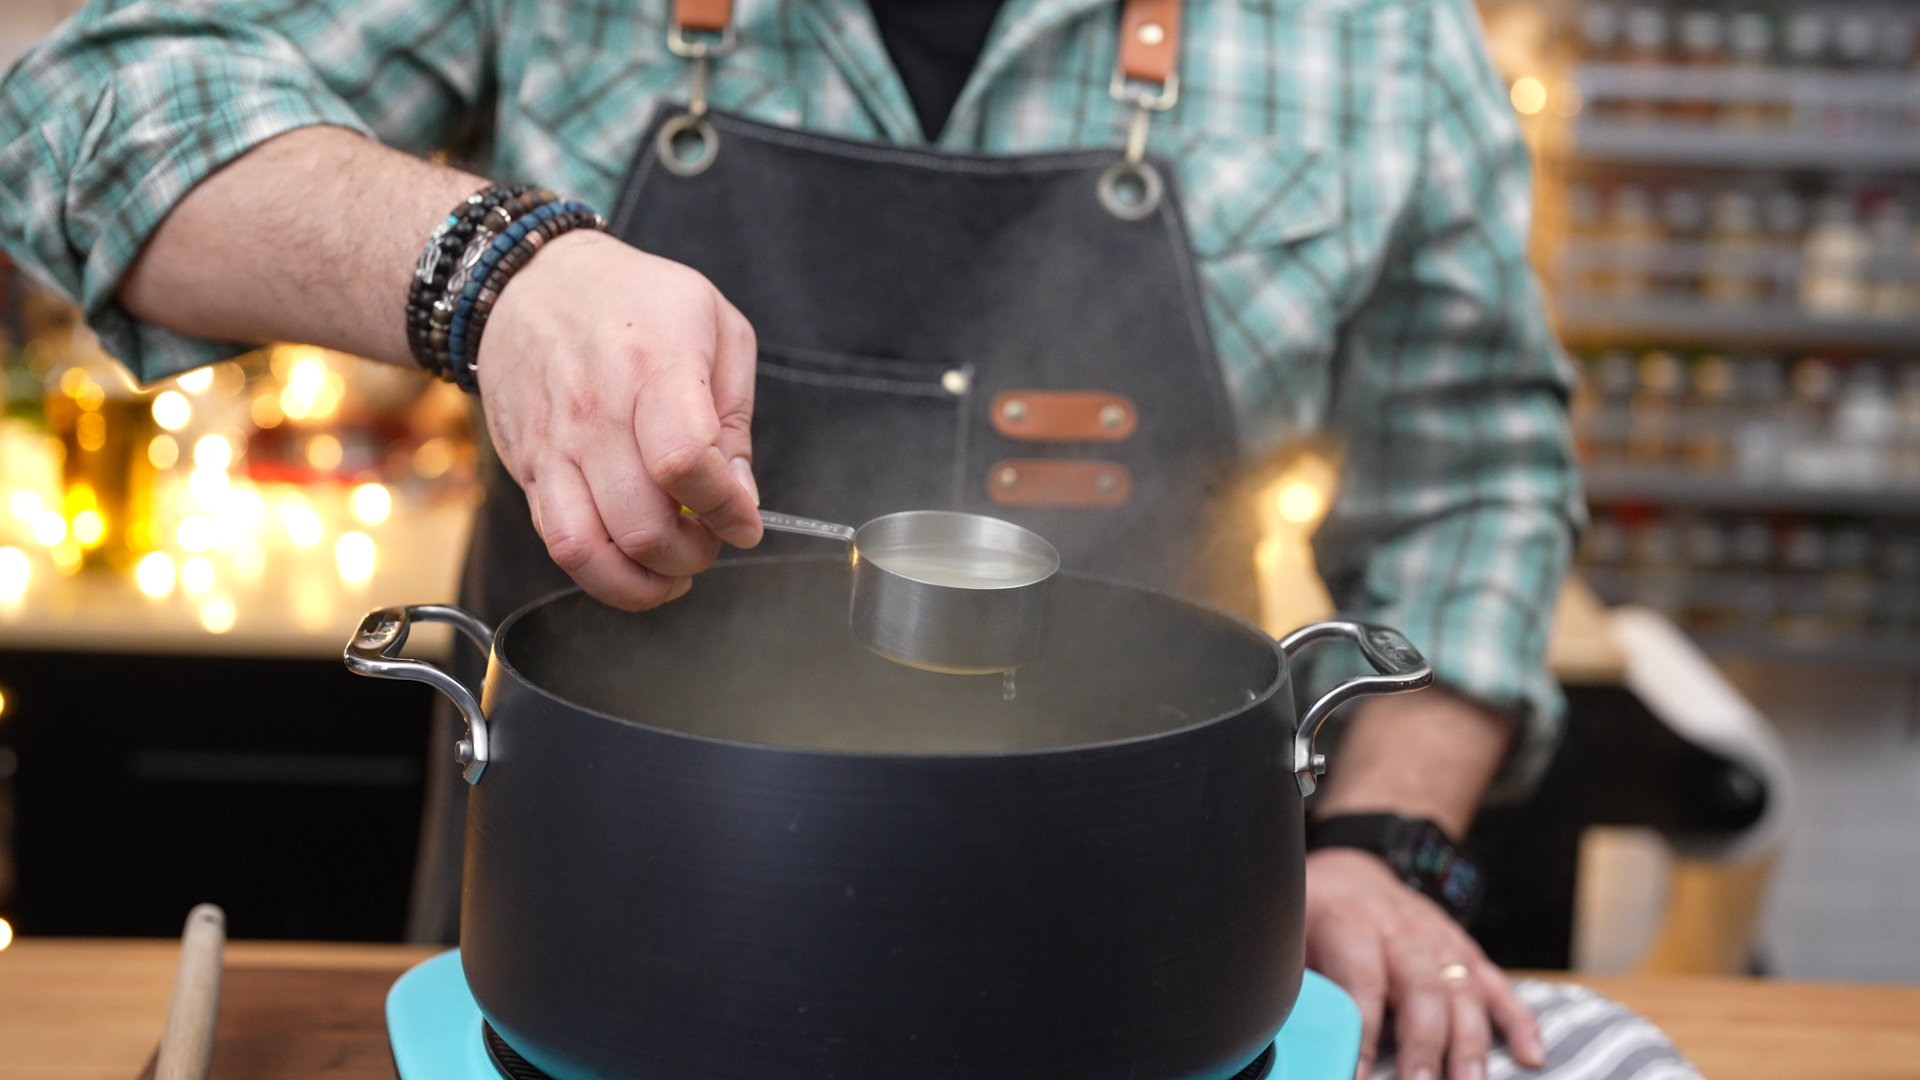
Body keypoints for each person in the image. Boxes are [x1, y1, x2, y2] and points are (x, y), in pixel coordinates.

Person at [0, 0, 1578, 1077]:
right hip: (585, 950)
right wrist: (491, 273)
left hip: (1150, 975)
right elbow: (78, 110)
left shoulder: (1374, 34)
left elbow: (1480, 479)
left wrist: (1380, 845)